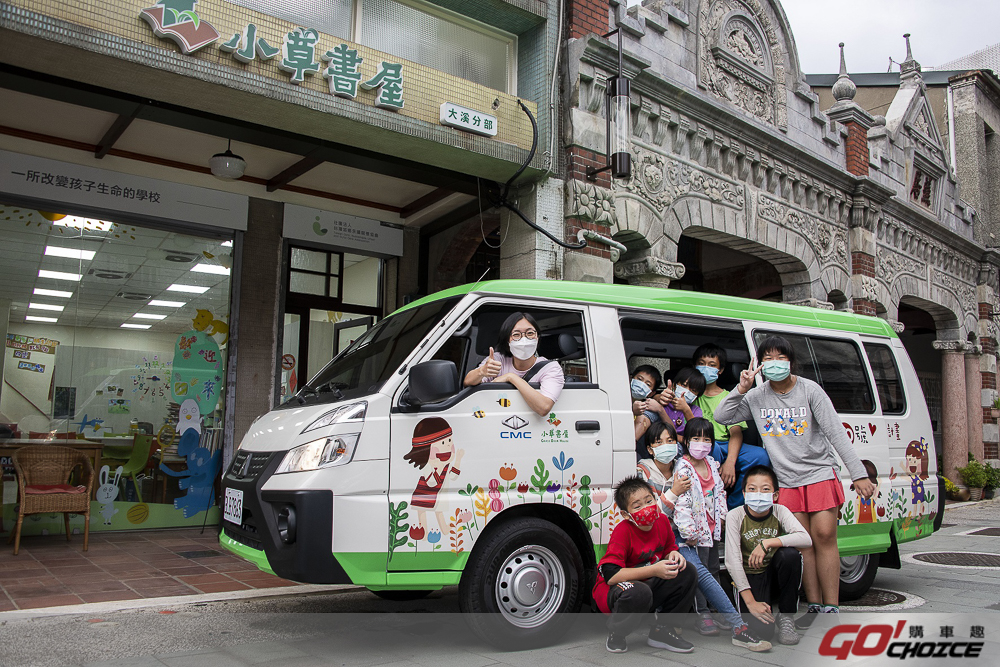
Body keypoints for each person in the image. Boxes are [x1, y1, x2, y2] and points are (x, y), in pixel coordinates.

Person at [714, 335, 875, 629]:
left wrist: (859, 473)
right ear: (760, 364)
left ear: (790, 361)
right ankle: (813, 605)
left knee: (825, 536)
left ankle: (832, 608)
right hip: (786, 480)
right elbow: (721, 415)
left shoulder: (810, 390)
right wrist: (742, 387)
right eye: (768, 359)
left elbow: (836, 433)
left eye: (780, 358)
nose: (775, 364)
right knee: (804, 545)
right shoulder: (757, 395)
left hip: (819, 474)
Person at [638, 421, 771, 652]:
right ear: (650, 448)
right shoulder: (645, 471)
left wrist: (718, 519)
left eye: (670, 441)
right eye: (659, 442)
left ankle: (703, 620)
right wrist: (674, 492)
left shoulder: (685, 466)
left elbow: (712, 495)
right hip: (670, 538)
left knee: (706, 572)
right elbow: (651, 516)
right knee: (702, 574)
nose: (666, 446)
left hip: (686, 534)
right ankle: (738, 626)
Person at [592, 475, 697, 654]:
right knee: (639, 591)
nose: (646, 508)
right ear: (626, 514)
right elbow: (611, 575)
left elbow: (669, 549)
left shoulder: (662, 521)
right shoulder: (623, 531)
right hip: (618, 591)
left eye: (649, 501)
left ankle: (663, 629)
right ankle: (617, 633)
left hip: (648, 584)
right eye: (637, 506)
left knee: (687, 571)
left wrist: (673, 554)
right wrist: (654, 569)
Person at [724, 465, 812, 645]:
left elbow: (805, 538)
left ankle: (787, 617)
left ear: (775, 495)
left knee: (790, 555)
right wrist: (750, 602)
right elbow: (732, 561)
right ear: (744, 493)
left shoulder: (780, 511)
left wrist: (768, 542)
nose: (758, 494)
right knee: (763, 633)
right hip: (750, 578)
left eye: (765, 489)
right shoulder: (735, 516)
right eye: (752, 489)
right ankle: (759, 608)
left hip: (773, 574)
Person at [692, 343, 770, 510]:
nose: (706, 368)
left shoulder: (728, 397)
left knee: (760, 456)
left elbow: (736, 433)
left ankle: (733, 507)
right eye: (702, 363)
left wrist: (730, 463)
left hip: (726, 444)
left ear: (720, 370)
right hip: (703, 444)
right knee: (711, 449)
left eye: (712, 365)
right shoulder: (689, 395)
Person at [463, 312, 565, 416]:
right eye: (516, 334)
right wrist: (482, 372)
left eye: (530, 333)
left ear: (537, 337)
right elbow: (468, 382)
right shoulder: (498, 359)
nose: (524, 339)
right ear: (507, 340)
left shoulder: (550, 368)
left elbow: (544, 407)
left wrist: (511, 377)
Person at [648, 367, 706, 442]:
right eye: (684, 385)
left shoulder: (696, 411)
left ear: (696, 396)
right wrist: (658, 398)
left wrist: (686, 410)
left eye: (693, 390)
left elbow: (697, 436)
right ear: (674, 385)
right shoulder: (663, 401)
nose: (686, 392)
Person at [630, 364, 663, 460]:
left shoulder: (648, 410)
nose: (641, 385)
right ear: (631, 379)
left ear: (652, 393)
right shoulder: (614, 399)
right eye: (639, 379)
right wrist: (632, 411)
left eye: (648, 384)